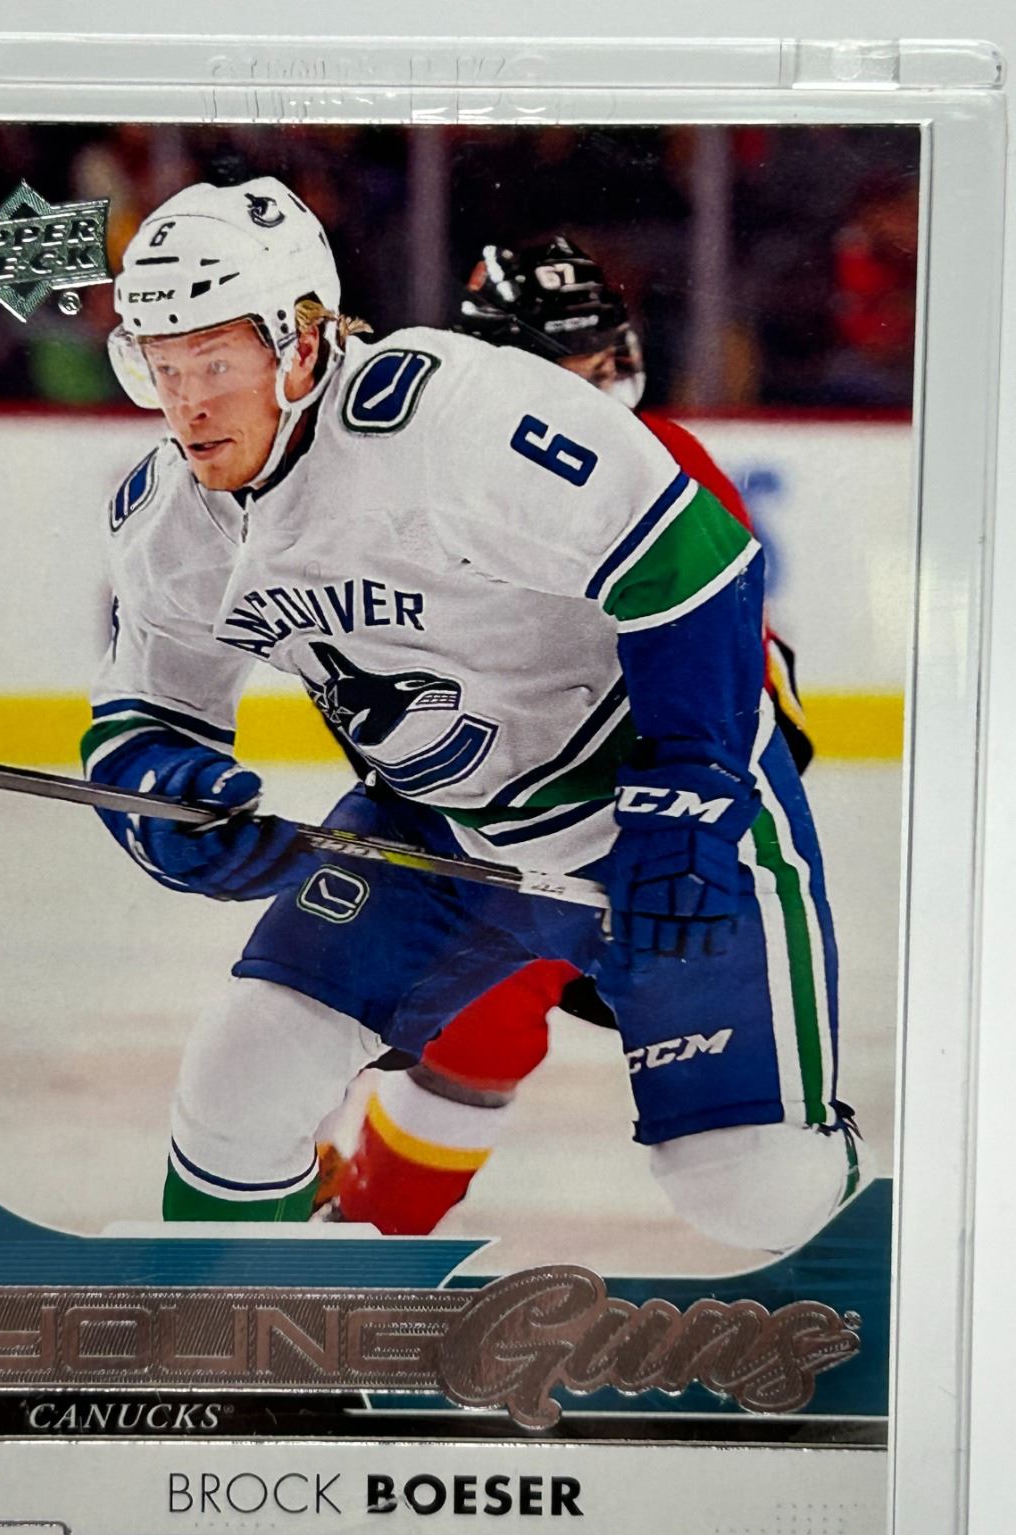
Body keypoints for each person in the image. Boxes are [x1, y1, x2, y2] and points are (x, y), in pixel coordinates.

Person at [83, 177, 861, 1256]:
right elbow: (143, 715)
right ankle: (245, 1312)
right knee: (241, 1077)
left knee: (750, 1188)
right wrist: (169, 804)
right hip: (437, 829)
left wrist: (690, 792)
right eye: (160, 368)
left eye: (214, 363)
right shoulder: (169, 517)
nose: (187, 407)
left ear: (302, 341)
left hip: (636, 815)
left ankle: (873, 1221)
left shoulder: (451, 417)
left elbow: (696, 567)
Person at [327, 236, 817, 1236]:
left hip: (641, 831)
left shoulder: (666, 465)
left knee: (739, 1148)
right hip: (498, 835)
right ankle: (363, 1236)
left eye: (601, 362)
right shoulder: (407, 489)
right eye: (568, 370)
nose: (595, 390)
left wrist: (679, 843)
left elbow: (756, 702)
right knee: (470, 1036)